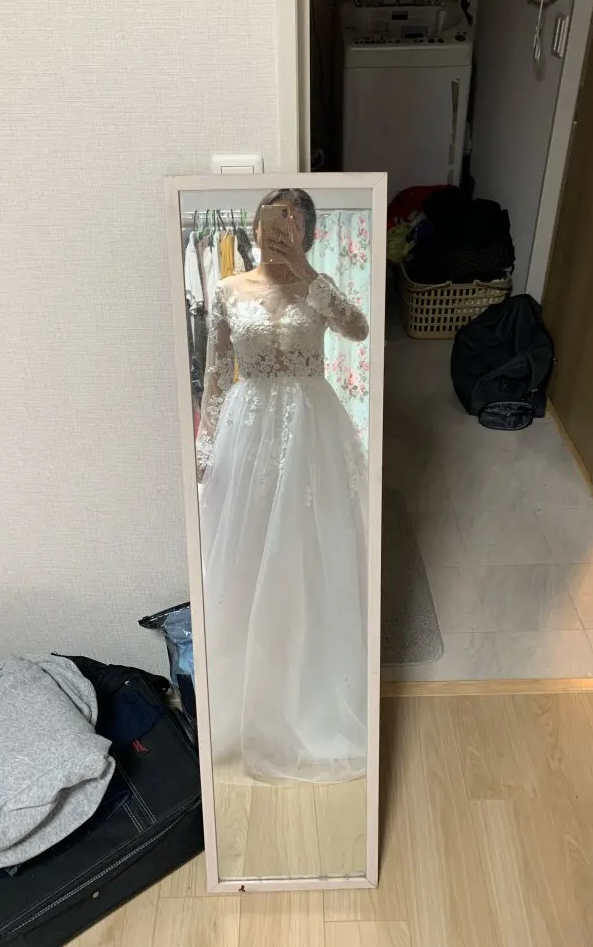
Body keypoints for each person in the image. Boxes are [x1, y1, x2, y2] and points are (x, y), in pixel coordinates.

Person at [196, 188, 369, 783]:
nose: (280, 229)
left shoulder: (318, 287)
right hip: (246, 432)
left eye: (294, 222)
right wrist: (205, 448)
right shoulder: (227, 290)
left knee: (306, 550)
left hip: (312, 431)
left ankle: (310, 689)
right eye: (273, 219)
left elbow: (358, 329)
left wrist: (310, 275)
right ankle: (248, 695)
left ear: (308, 233)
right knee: (247, 553)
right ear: (255, 225)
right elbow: (216, 375)